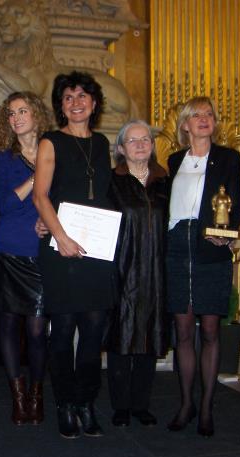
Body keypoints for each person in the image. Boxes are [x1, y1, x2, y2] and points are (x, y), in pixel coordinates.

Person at [32, 71, 118, 439]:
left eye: (83, 96)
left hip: (98, 250)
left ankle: (86, 402)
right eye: (68, 97)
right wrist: (59, 235)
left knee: (95, 330)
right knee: (64, 331)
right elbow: (40, 195)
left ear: (94, 103)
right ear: (61, 106)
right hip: (61, 249)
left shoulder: (102, 144)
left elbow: (105, 194)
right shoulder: (50, 142)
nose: (76, 102)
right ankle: (65, 405)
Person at [165, 96, 240, 437]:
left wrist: (227, 234)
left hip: (211, 248)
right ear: (184, 125)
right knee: (182, 331)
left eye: (208, 114)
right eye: (195, 115)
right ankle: (186, 403)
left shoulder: (228, 158)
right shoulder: (172, 160)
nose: (203, 118)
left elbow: (235, 201)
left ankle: (207, 406)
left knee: (210, 330)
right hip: (177, 248)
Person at [0, 91, 52, 425]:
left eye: (23, 110)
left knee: (38, 329)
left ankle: (37, 394)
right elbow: (4, 205)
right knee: (8, 328)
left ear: (37, 114)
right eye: (11, 113)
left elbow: (66, 200)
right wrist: (35, 178)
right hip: (8, 248)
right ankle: (18, 397)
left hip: (41, 251)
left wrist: (52, 222)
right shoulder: (3, 157)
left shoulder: (55, 151)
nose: (17, 117)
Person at [105, 120, 169, 428]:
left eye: (146, 139)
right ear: (120, 149)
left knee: (150, 334)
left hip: (157, 270)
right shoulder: (111, 182)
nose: (141, 144)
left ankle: (141, 404)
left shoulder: (165, 181)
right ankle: (120, 405)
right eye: (133, 140)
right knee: (121, 336)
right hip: (121, 269)